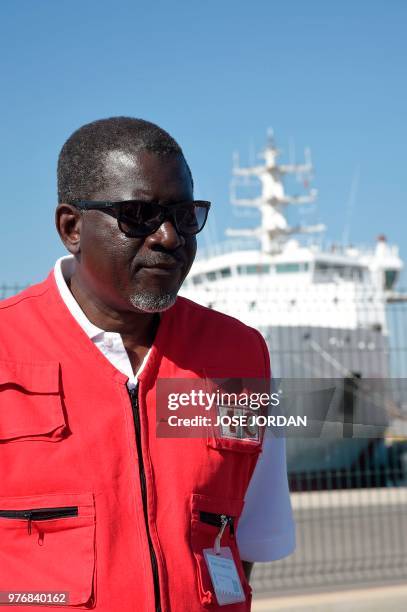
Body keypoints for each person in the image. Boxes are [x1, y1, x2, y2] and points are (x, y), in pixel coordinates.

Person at [0, 117, 295, 611]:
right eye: (138, 214)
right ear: (71, 228)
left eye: (184, 215)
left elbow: (246, 539)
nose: (169, 237)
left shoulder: (241, 356)